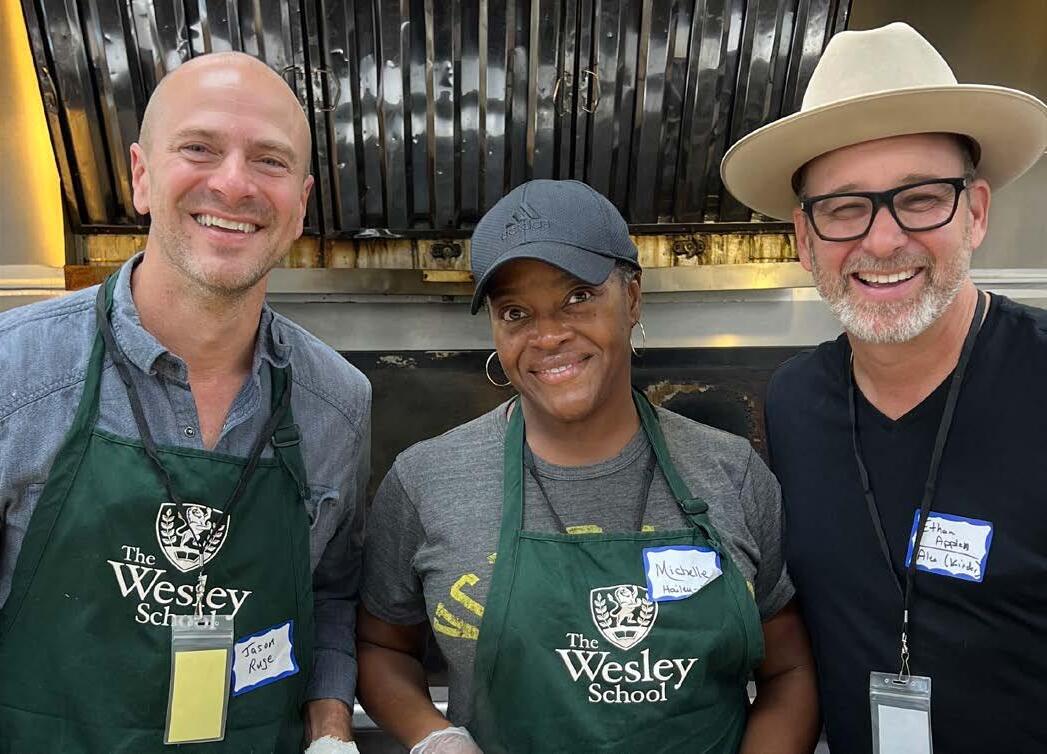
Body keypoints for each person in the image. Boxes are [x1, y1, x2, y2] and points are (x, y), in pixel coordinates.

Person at [356, 179, 819, 753]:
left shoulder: (731, 473)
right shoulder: (427, 480)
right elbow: (381, 647)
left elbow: (789, 670)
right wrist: (435, 739)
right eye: (516, 312)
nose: (549, 335)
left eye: (578, 296)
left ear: (632, 298)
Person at [0, 52, 370, 752]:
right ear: (141, 176)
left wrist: (329, 732)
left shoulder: (338, 404)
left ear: (300, 205)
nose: (232, 183)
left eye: (269, 160)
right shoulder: (15, 369)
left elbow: (329, 597)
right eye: (199, 148)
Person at [721, 22, 1047, 754]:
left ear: (975, 213)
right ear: (804, 240)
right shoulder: (793, 401)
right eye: (844, 208)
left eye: (921, 198)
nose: (881, 240)